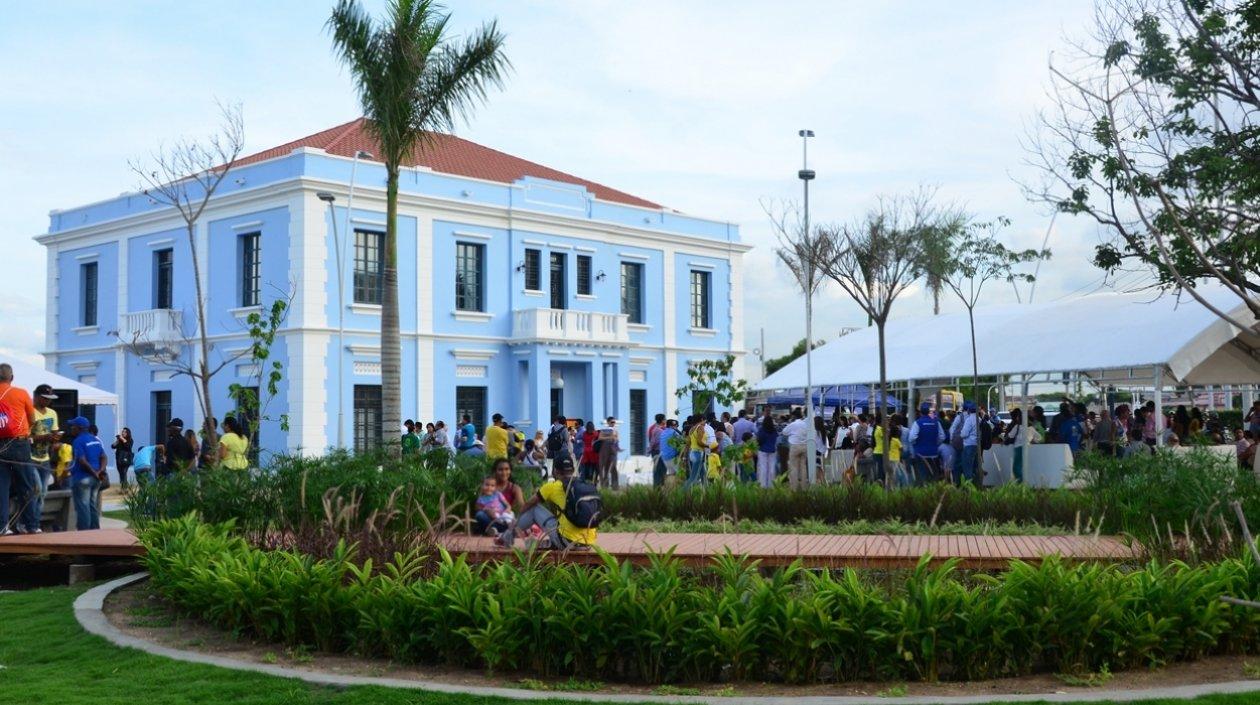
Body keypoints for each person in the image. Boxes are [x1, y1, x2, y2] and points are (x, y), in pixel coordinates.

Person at [497, 456, 598, 550]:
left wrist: (515, 521)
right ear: (573, 470)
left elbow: (527, 505)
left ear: (555, 471)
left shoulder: (552, 486)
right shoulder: (585, 485)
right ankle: (547, 542)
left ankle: (506, 537)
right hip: (588, 543)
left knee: (534, 508)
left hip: (568, 543)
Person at [0, 364, 38, 535]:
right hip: (19, 443)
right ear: (12, 377)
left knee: (2, 486)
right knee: (26, 485)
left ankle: (2, 527)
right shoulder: (21, 393)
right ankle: (31, 525)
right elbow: (33, 419)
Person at [67, 416, 105, 531]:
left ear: (79, 428)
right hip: (96, 479)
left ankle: (84, 533)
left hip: (82, 478)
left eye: (72, 426)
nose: (71, 429)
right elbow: (103, 457)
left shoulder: (78, 441)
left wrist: (94, 472)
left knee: (83, 506)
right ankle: (95, 531)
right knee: (92, 505)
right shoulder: (95, 440)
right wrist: (100, 471)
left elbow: (82, 460)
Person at [30, 384, 59, 525]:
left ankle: (35, 523)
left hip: (45, 459)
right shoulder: (29, 411)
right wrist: (43, 438)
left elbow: (54, 433)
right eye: (45, 398)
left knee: (43, 493)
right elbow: (25, 437)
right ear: (37, 397)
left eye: (50, 399)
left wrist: (55, 441)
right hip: (30, 458)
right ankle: (31, 523)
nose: (48, 401)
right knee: (37, 490)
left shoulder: (52, 413)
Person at [909, 403, 946, 485]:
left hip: (920, 454)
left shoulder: (917, 423)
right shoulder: (936, 422)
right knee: (933, 476)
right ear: (929, 411)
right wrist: (935, 444)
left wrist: (917, 444)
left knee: (922, 477)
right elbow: (942, 437)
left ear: (920, 412)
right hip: (933, 453)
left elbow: (911, 438)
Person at [950, 402, 979, 487]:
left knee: (959, 464)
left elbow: (953, 429)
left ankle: (958, 483)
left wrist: (951, 440)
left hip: (962, 444)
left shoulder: (961, 417)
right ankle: (974, 485)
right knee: (972, 465)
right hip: (975, 445)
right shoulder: (978, 418)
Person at [783, 408, 810, 490]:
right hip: (804, 446)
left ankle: (794, 487)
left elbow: (784, 432)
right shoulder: (805, 424)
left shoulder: (793, 424)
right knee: (803, 467)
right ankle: (804, 487)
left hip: (794, 446)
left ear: (794, 416)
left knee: (794, 467)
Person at [685, 417, 711, 488]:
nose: (705, 423)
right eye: (705, 420)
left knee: (703, 474)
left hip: (692, 453)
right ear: (702, 420)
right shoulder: (700, 428)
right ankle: (682, 493)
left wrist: (685, 455)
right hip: (698, 453)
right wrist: (709, 446)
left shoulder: (692, 429)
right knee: (693, 478)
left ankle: (707, 492)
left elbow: (688, 443)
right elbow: (699, 442)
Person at [755, 412, 779, 488]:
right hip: (772, 450)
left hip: (762, 450)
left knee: (763, 468)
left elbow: (759, 440)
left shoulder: (762, 430)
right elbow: (776, 439)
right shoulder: (774, 430)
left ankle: (763, 485)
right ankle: (771, 484)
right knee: (771, 468)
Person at [658, 419, 681, 486]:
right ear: (672, 426)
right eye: (676, 426)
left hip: (664, 458)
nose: (677, 427)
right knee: (680, 475)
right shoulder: (673, 432)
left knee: (671, 475)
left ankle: (669, 489)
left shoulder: (662, 432)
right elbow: (682, 441)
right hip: (672, 457)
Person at [648, 413, 667, 487]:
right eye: (665, 419)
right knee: (659, 470)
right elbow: (654, 442)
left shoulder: (658, 429)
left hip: (658, 452)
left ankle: (660, 487)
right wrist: (650, 450)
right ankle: (657, 487)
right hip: (658, 452)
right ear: (662, 420)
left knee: (661, 469)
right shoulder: (658, 430)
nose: (665, 420)